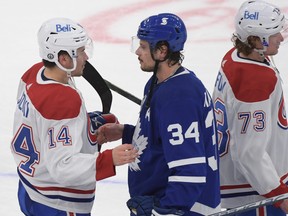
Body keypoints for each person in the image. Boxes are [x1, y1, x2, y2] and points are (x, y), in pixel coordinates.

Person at [10, 17, 138, 216]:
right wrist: (109, 159)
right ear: (63, 59)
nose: (86, 56)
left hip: (31, 187)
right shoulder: (62, 100)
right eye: (80, 52)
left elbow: (44, 126)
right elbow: (63, 167)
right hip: (57, 202)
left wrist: (88, 128)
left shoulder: (34, 74)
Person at [96, 13, 221, 215]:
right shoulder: (161, 83)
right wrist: (127, 132)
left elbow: (190, 172)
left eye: (144, 46)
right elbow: (167, 139)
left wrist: (164, 211)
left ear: (162, 50)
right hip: (162, 202)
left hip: (182, 209)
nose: (137, 51)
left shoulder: (179, 96)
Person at [212, 0, 288, 215]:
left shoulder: (235, 55)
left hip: (249, 183)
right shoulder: (255, 80)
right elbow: (249, 153)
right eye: (274, 34)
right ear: (256, 40)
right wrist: (278, 194)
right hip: (257, 195)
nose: (281, 38)